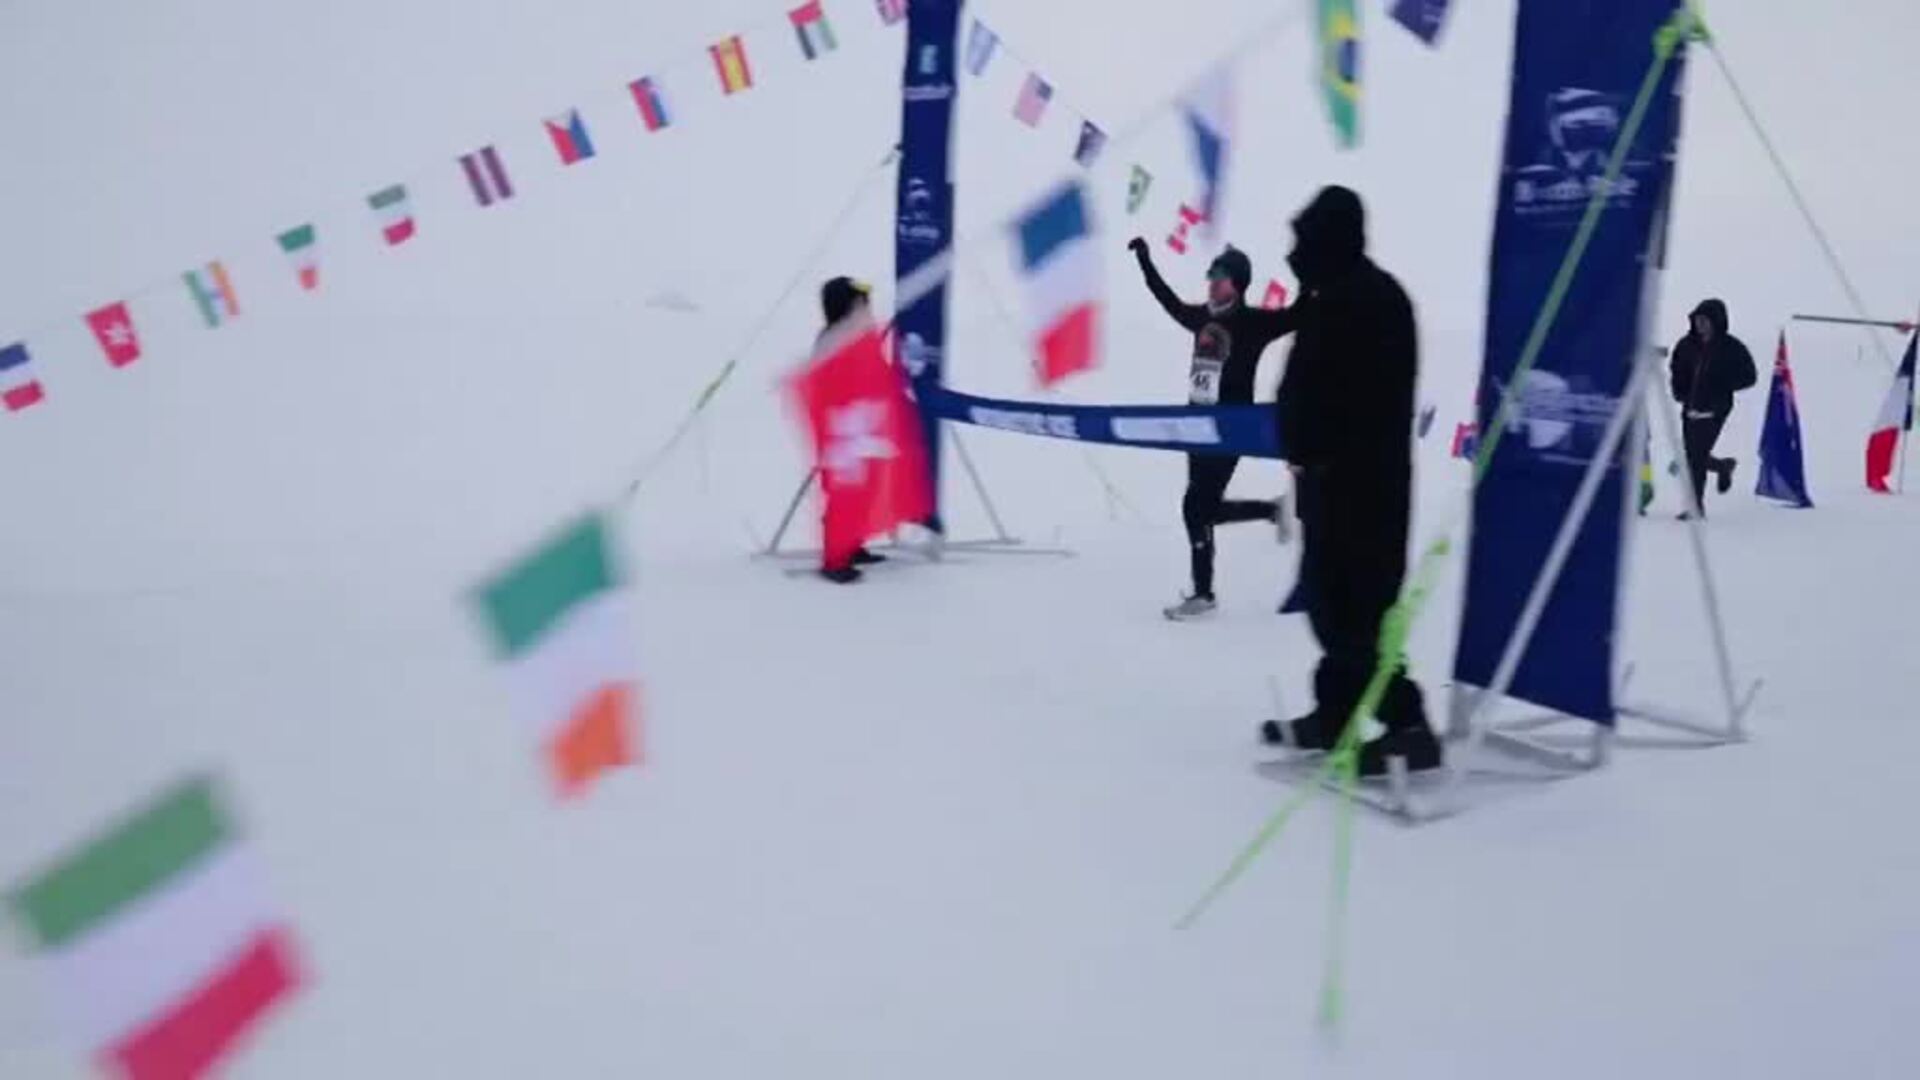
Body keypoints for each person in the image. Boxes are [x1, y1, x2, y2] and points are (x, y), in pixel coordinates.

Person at [1258, 186, 1440, 777]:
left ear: (1331, 241)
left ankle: (1409, 726)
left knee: (1359, 611)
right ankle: (1334, 713)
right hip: (1328, 483)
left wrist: (1325, 449)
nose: (1294, 253)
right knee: (1328, 602)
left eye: (1303, 242)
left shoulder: (1373, 300)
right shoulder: (1328, 295)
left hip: (1367, 487)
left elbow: (1364, 397)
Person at [1128, 238, 1292, 620]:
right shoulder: (1203, 317)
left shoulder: (1253, 323)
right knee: (1205, 509)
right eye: (1210, 275)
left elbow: (1299, 314)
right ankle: (1272, 510)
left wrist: (1323, 279)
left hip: (1229, 431)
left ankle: (1204, 593)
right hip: (1194, 428)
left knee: (1194, 507)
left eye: (1220, 277)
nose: (1212, 283)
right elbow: (1166, 299)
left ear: (1238, 283)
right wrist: (1146, 262)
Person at [815, 276, 888, 584]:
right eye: (859, 302)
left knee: (862, 491)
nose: (865, 307)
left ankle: (853, 545)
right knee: (844, 493)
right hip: (842, 430)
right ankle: (834, 559)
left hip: (861, 425)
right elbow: (838, 383)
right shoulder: (834, 338)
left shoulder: (855, 335)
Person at [1668, 298, 1757, 519]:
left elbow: (1749, 376)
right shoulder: (1686, 345)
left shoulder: (1731, 348)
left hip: (1716, 409)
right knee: (1692, 456)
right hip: (1691, 407)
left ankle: (1695, 507)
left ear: (1717, 321)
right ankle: (1722, 467)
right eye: (1698, 320)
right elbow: (1677, 370)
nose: (1701, 325)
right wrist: (1679, 392)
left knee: (1696, 457)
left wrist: (1724, 383)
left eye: (1705, 321)